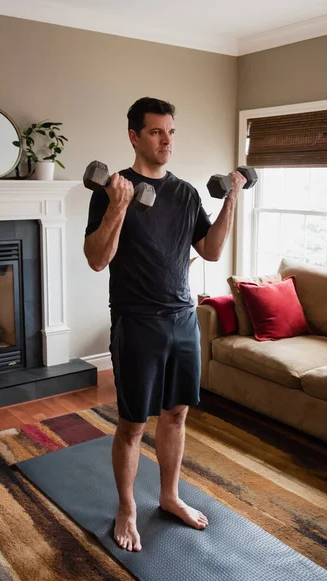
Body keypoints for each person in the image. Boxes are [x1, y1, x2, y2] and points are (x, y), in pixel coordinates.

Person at [84, 97, 245, 552]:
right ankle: (127, 507)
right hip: (137, 322)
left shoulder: (186, 193)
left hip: (182, 318)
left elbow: (211, 250)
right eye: (156, 132)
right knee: (133, 423)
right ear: (134, 136)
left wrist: (232, 198)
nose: (166, 140)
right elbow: (98, 260)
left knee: (176, 414)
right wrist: (119, 206)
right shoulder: (111, 189)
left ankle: (170, 495)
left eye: (171, 132)